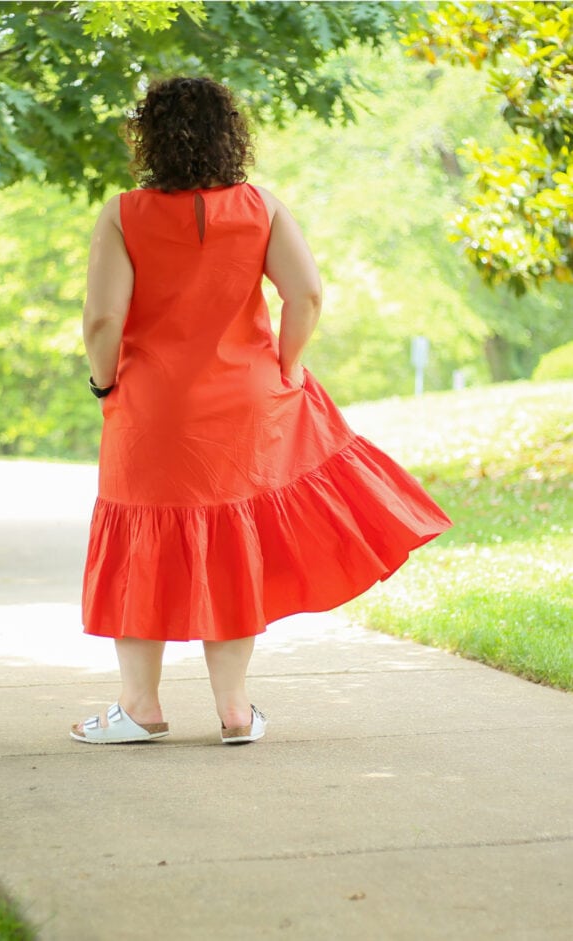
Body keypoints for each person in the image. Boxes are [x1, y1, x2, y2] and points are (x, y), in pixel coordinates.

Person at [71, 76, 451, 746]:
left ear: (150, 138)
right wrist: (290, 364)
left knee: (140, 539)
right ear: (229, 133)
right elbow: (305, 295)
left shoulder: (123, 214)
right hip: (245, 404)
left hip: (152, 407)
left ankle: (140, 706)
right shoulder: (261, 208)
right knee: (227, 541)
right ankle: (235, 709)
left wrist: (105, 384)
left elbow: (104, 317)